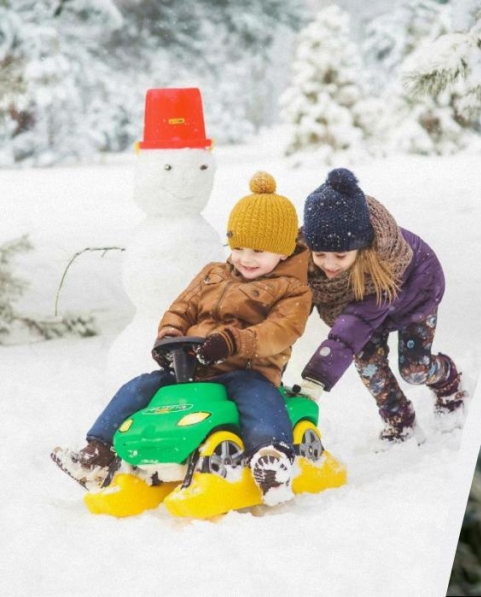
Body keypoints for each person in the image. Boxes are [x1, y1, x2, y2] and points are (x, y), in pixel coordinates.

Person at [51, 172, 311, 505]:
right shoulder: (212, 274)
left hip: (246, 369)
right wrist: (170, 336)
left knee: (258, 399)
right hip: (192, 366)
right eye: (239, 247)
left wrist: (234, 342)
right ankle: (98, 451)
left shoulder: (293, 290)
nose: (246, 258)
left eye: (258, 251)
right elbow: (182, 308)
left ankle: (271, 457)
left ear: (283, 251)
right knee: (140, 387)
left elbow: (280, 331)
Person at [295, 168, 467, 445]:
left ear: (361, 248)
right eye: (320, 254)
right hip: (364, 310)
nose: (328, 264)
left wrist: (316, 378)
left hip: (414, 297)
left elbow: (352, 327)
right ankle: (400, 422)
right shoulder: (308, 263)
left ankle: (448, 382)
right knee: (368, 363)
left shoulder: (383, 266)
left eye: (340, 255)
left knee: (415, 370)